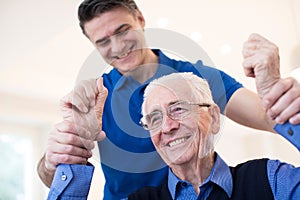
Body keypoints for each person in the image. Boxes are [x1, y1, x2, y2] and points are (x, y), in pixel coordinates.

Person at [38, 0, 300, 199]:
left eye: (122, 30)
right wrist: (55, 160)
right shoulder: (96, 98)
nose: (117, 47)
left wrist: (274, 91)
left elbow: (269, 117)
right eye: (103, 41)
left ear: (140, 19)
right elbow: (51, 175)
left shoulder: (198, 77)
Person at [128, 72, 300, 200]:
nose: (167, 127)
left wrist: (290, 114)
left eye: (178, 109)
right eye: (155, 119)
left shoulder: (270, 179)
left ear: (214, 118)